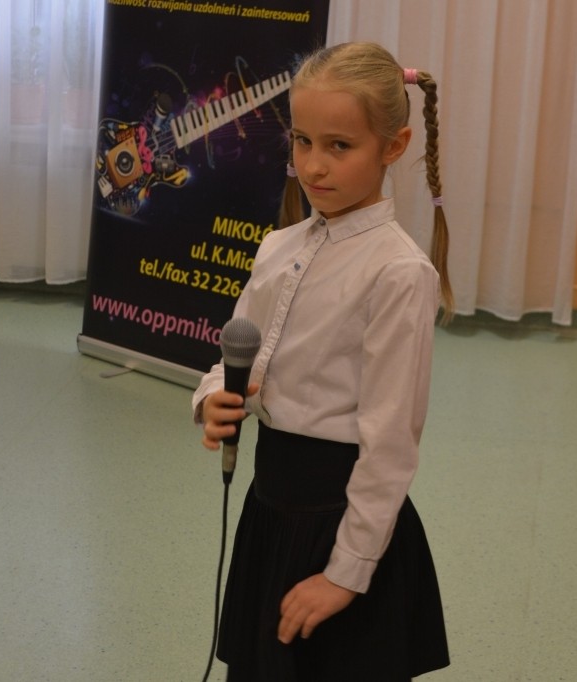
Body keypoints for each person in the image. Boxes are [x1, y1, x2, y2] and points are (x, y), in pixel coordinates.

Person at [192, 41, 452, 681]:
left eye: (339, 146)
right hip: (270, 510)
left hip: (340, 521)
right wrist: (213, 396)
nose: (313, 165)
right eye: (302, 141)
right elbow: (239, 353)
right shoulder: (278, 247)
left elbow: (390, 444)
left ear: (393, 146)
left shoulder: (398, 273)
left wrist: (345, 574)